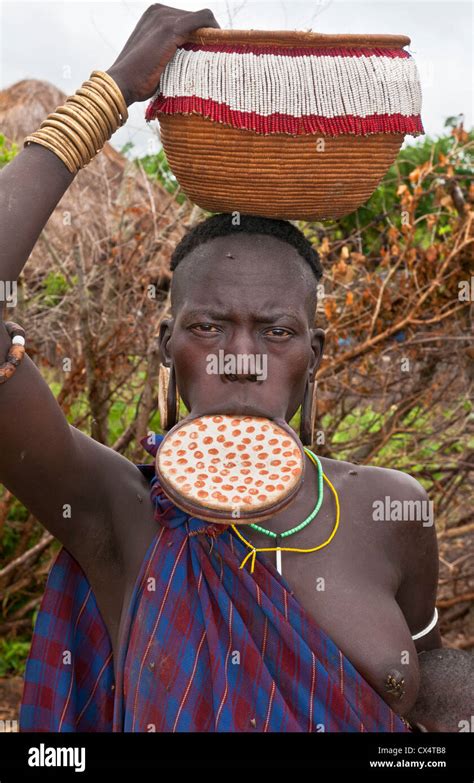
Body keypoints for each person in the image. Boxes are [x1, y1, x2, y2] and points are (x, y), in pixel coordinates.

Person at [0, 3, 461, 732]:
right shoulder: (114, 514)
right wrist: (114, 87)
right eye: (208, 326)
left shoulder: (386, 507)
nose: (242, 358)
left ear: (315, 357)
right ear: (165, 349)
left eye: (276, 331)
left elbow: (426, 668)